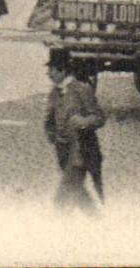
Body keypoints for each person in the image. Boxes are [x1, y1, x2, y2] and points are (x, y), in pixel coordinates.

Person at [45, 49, 105, 211]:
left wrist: (83, 122)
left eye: (52, 70)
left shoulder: (81, 89)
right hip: (64, 154)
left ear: (62, 70)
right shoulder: (54, 93)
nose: (48, 74)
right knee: (80, 198)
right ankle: (98, 222)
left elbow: (99, 117)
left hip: (81, 154)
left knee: (61, 201)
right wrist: (54, 134)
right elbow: (50, 120)